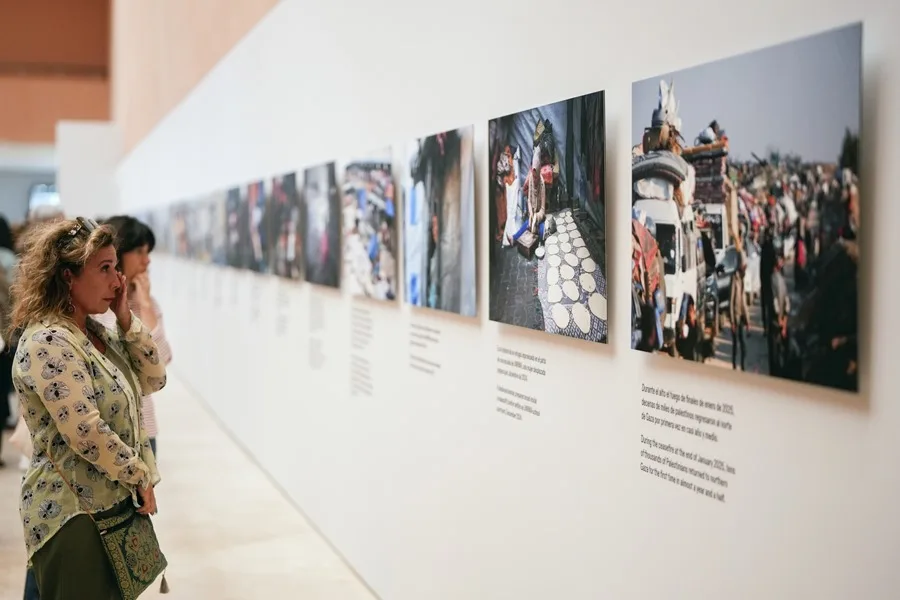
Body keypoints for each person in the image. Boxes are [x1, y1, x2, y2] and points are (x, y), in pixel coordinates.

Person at [9, 217, 167, 599]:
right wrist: (140, 475)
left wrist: (127, 318)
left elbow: (154, 378)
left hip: (107, 508)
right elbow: (86, 431)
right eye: (105, 269)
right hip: (72, 515)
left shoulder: (95, 333)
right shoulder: (48, 341)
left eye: (116, 268)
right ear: (67, 276)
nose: (118, 281)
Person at [96, 215, 173, 456]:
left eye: (148, 252)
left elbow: (160, 361)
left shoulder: (145, 302)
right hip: (104, 426)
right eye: (139, 251)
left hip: (143, 423)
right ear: (118, 253)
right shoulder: (95, 305)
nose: (147, 260)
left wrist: (145, 303)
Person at [730, 251, 749, 371]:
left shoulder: (742, 280)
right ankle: (734, 365)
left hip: (742, 316)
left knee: (743, 344)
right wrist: (732, 321)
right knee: (735, 344)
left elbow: (744, 302)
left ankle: (743, 366)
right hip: (735, 316)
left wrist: (748, 320)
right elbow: (731, 300)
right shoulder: (734, 279)